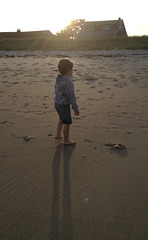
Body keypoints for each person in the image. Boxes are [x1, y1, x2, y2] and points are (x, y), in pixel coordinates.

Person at [54, 59, 79, 146]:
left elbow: (56, 90)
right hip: (64, 105)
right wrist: (75, 108)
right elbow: (72, 96)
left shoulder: (58, 79)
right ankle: (66, 140)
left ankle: (58, 135)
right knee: (67, 122)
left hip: (57, 103)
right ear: (69, 71)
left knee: (61, 119)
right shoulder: (69, 83)